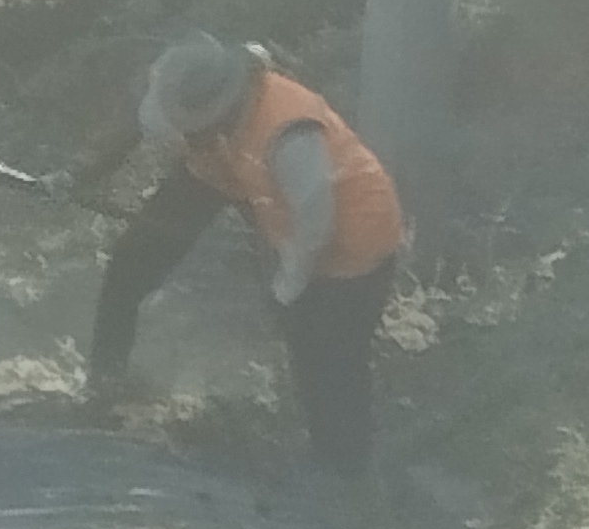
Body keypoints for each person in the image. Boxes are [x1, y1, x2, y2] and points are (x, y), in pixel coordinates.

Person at [86, 32, 406, 486]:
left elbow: (315, 217)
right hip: (276, 206)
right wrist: (83, 175)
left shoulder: (287, 132)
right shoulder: (196, 98)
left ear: (217, 114)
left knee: (330, 354)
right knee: (134, 262)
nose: (185, 138)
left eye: (191, 129)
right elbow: (143, 128)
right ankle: (104, 386)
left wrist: (289, 282)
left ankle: (345, 473)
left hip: (353, 242)